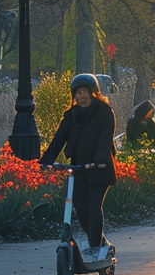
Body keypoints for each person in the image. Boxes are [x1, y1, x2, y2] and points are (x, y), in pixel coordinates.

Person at [40, 74, 117, 259]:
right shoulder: (71, 115)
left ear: (93, 93)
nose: (82, 96)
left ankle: (95, 247)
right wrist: (46, 161)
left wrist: (100, 158)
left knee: (93, 206)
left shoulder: (104, 111)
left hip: (99, 168)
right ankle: (99, 241)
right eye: (78, 93)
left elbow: (105, 138)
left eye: (85, 92)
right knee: (81, 209)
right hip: (78, 168)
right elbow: (58, 139)